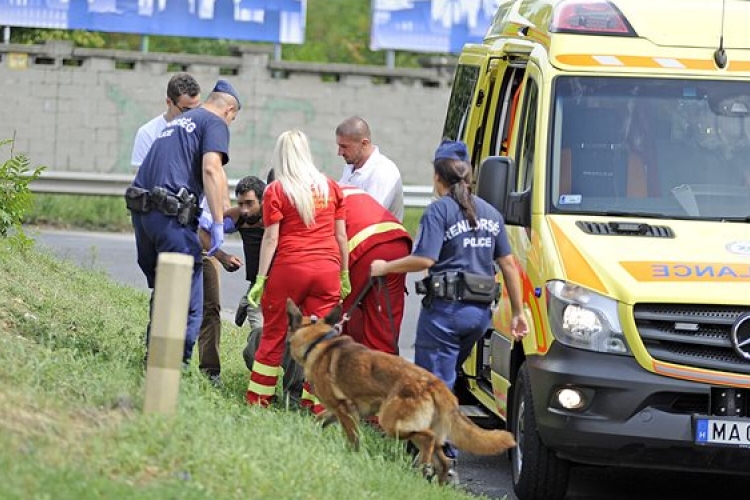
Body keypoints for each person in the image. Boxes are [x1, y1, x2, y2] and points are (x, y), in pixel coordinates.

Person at [370, 139, 529, 480]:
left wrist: (384, 268)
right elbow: (509, 265)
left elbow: (425, 259)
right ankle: (429, 445)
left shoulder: (439, 210)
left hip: (444, 314)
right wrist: (519, 312)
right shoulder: (490, 213)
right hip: (478, 315)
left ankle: (442, 459)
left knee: (435, 384)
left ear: (438, 177)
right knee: (446, 380)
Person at [125, 79, 242, 368]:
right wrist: (217, 222)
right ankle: (173, 371)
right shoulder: (214, 122)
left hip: (144, 217)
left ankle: (153, 361)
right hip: (170, 220)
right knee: (189, 301)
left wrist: (217, 214)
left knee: (165, 292)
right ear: (228, 110)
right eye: (233, 118)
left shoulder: (179, 121)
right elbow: (212, 169)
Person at [245, 129, 349, 411]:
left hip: (289, 270)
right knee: (321, 342)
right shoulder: (331, 187)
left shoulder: (277, 190)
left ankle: (258, 403)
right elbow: (341, 236)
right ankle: (317, 407)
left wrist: (260, 279)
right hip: (327, 270)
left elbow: (271, 239)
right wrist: (344, 273)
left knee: (273, 337)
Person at [339, 185, 412, 355]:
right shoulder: (340, 187)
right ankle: (385, 374)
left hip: (363, 247)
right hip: (397, 242)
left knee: (335, 314)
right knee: (384, 325)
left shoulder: (306, 201)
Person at [336, 116, 404, 221]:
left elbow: (370, 218)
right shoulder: (350, 168)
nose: (339, 153)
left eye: (344, 147)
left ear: (364, 143)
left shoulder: (383, 171)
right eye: (339, 146)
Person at [131, 72, 202, 170]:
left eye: (198, 108)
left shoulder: (203, 129)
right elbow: (142, 178)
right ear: (169, 102)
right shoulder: (148, 133)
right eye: (186, 110)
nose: (193, 115)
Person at [230, 175, 267, 331]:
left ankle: (246, 300)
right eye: (240, 204)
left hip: (278, 281)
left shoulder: (275, 216)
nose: (245, 210)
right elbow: (205, 232)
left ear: (263, 201)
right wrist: (222, 256)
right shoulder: (237, 215)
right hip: (256, 282)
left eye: (250, 204)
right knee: (258, 330)